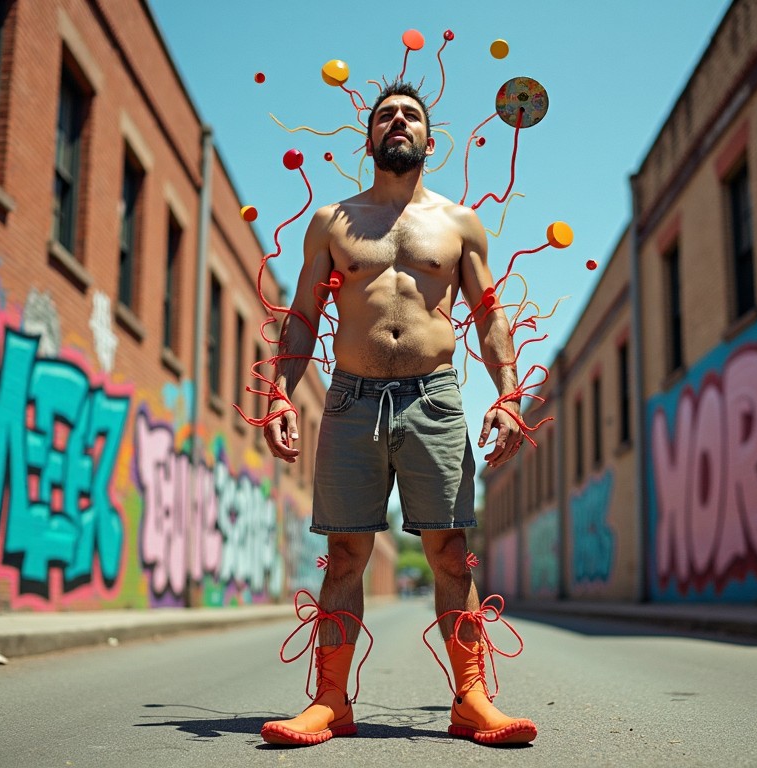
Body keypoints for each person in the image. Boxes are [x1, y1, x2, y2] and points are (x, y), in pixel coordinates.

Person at [260, 81, 537, 747]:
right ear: (370, 136)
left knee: (450, 552)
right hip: (353, 400)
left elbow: (490, 315)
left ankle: (471, 700)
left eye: (410, 115)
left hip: (434, 399)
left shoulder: (458, 223)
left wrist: (507, 394)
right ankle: (330, 701)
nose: (398, 122)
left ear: (428, 140)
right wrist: (277, 394)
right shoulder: (331, 221)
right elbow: (301, 318)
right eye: (386, 115)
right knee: (346, 552)